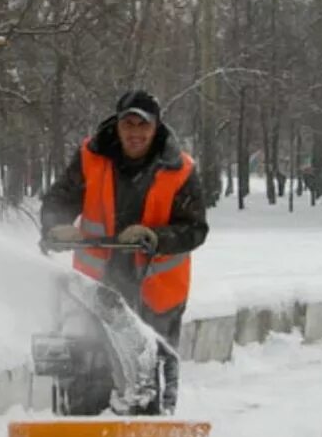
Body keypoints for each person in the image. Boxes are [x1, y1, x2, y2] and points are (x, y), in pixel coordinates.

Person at [39, 89, 209, 414]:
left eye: (142, 125)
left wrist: (155, 236)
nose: (135, 133)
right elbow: (59, 199)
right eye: (128, 124)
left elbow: (195, 229)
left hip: (157, 294)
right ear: (117, 125)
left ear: (156, 126)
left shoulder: (180, 169)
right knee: (88, 368)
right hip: (98, 285)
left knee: (151, 374)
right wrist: (55, 226)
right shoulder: (91, 157)